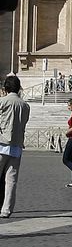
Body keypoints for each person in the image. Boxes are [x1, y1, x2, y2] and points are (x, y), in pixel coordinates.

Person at [0, 75, 31, 218]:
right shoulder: (25, 106)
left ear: (5, 88)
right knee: (11, 180)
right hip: (16, 146)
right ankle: (6, 209)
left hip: (1, 143)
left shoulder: (2, 102)